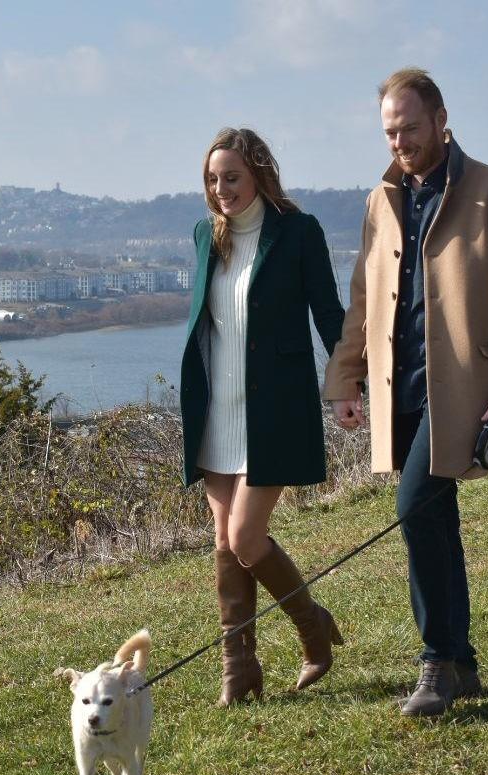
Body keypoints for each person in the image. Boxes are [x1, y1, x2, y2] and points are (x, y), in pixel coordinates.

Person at [323, 68, 488, 716]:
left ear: (441, 120)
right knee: (436, 519)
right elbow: (363, 298)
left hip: (463, 391)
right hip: (399, 391)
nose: (400, 142)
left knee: (415, 506)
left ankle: (436, 662)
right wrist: (344, 377)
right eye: (390, 132)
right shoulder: (379, 201)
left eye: (410, 128)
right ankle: (463, 664)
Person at [180, 127, 348, 706]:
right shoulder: (205, 235)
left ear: (258, 173)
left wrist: (345, 383)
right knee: (224, 543)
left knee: (246, 538)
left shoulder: (298, 232)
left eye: (231, 177)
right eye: (212, 179)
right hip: (216, 411)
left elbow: (328, 313)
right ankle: (239, 669)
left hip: (273, 411)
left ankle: (313, 630)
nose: (221, 189)